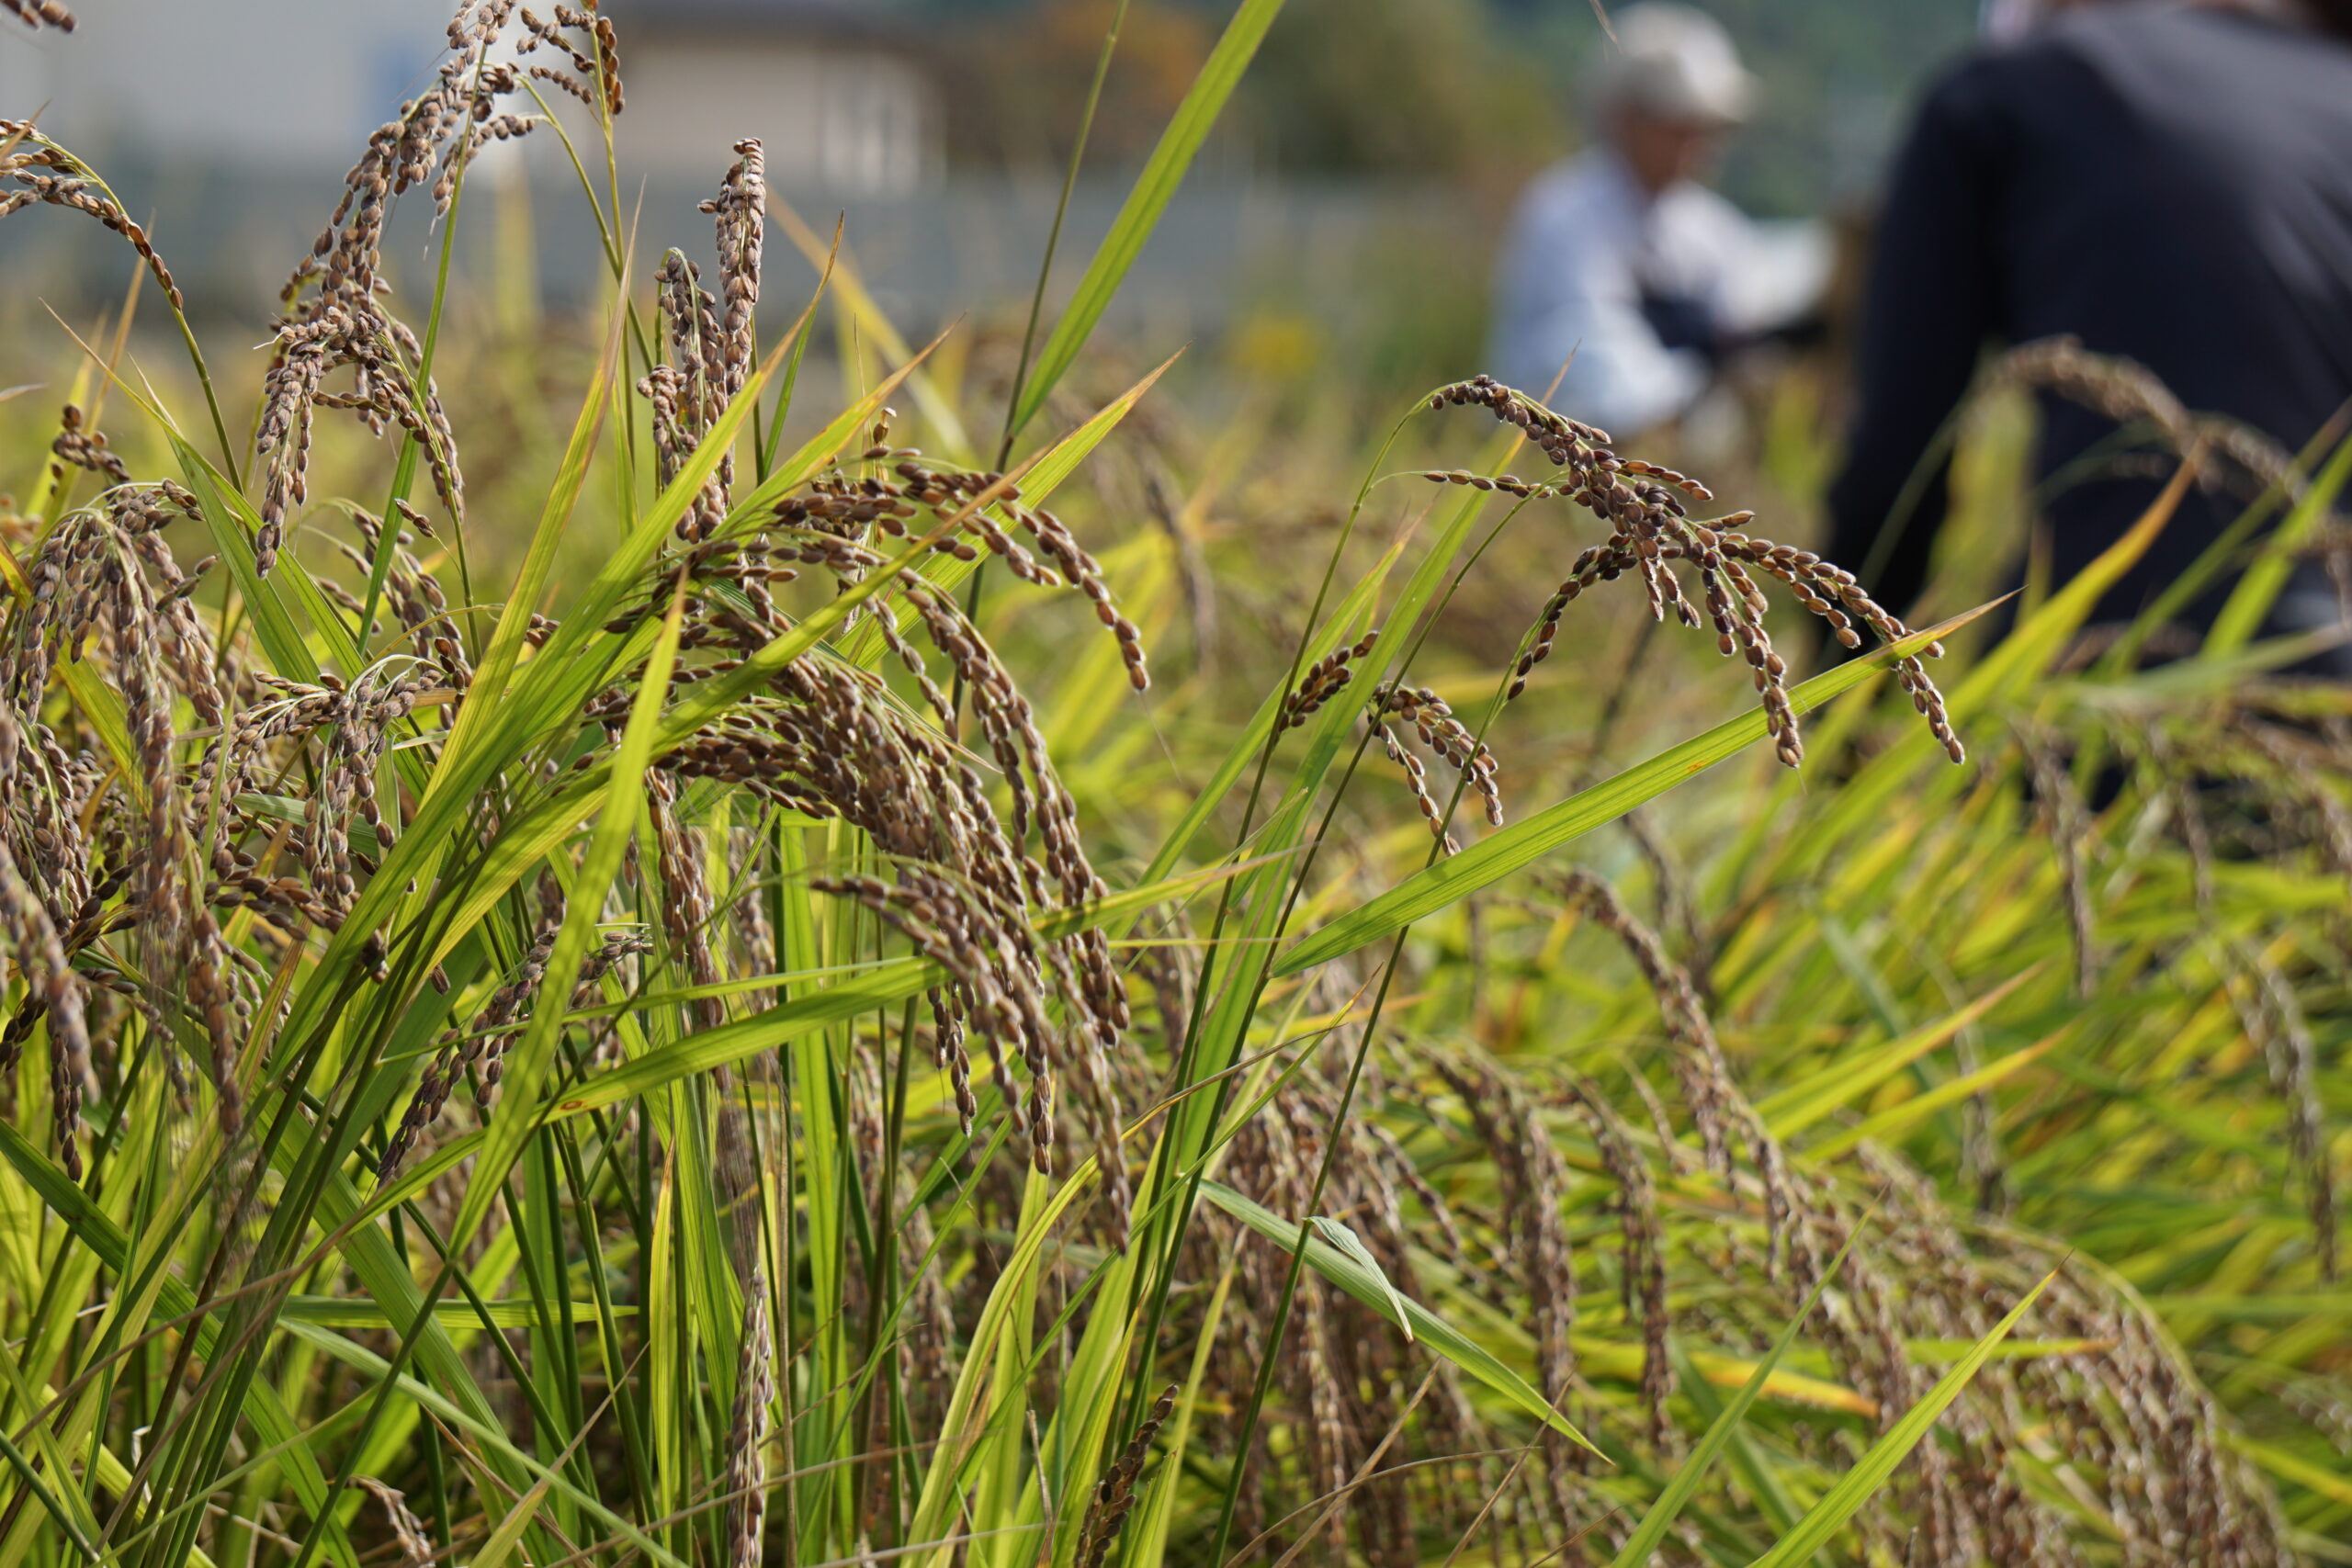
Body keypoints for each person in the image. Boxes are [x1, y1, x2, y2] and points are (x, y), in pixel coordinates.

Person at [1825, 0, 2352, 669]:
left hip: (2111, 680)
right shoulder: (2333, 89)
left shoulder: (2012, 90)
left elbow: (1894, 466)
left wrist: (1829, 717)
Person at [1487, 4, 1820, 438]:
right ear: (1626, 115)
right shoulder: (1563, 215)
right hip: (1558, 469)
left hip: (1676, 473)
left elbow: (1751, 334)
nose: (1697, 142)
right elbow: (1603, 373)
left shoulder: (1716, 230)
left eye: (1706, 126)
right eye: (1678, 122)